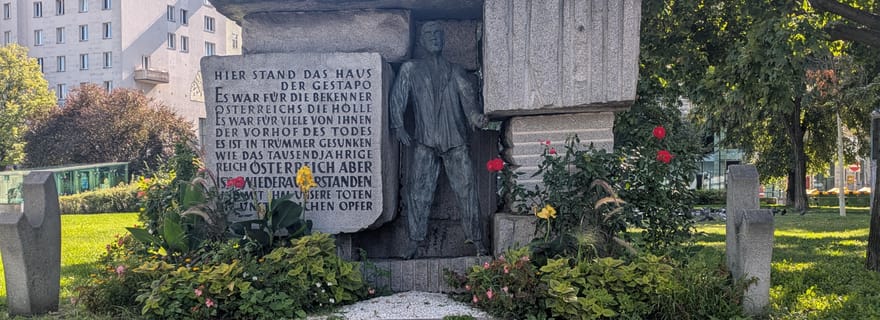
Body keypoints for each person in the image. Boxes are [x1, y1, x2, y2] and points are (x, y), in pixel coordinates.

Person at [390, 21, 488, 258]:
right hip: (425, 140)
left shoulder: (456, 71)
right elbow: (397, 98)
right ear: (421, 41)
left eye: (438, 34)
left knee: (467, 191)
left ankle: (477, 242)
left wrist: (477, 119)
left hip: (455, 140)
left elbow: (469, 104)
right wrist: (398, 125)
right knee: (417, 192)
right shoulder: (411, 70)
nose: (434, 37)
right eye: (429, 34)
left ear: (443, 40)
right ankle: (414, 241)